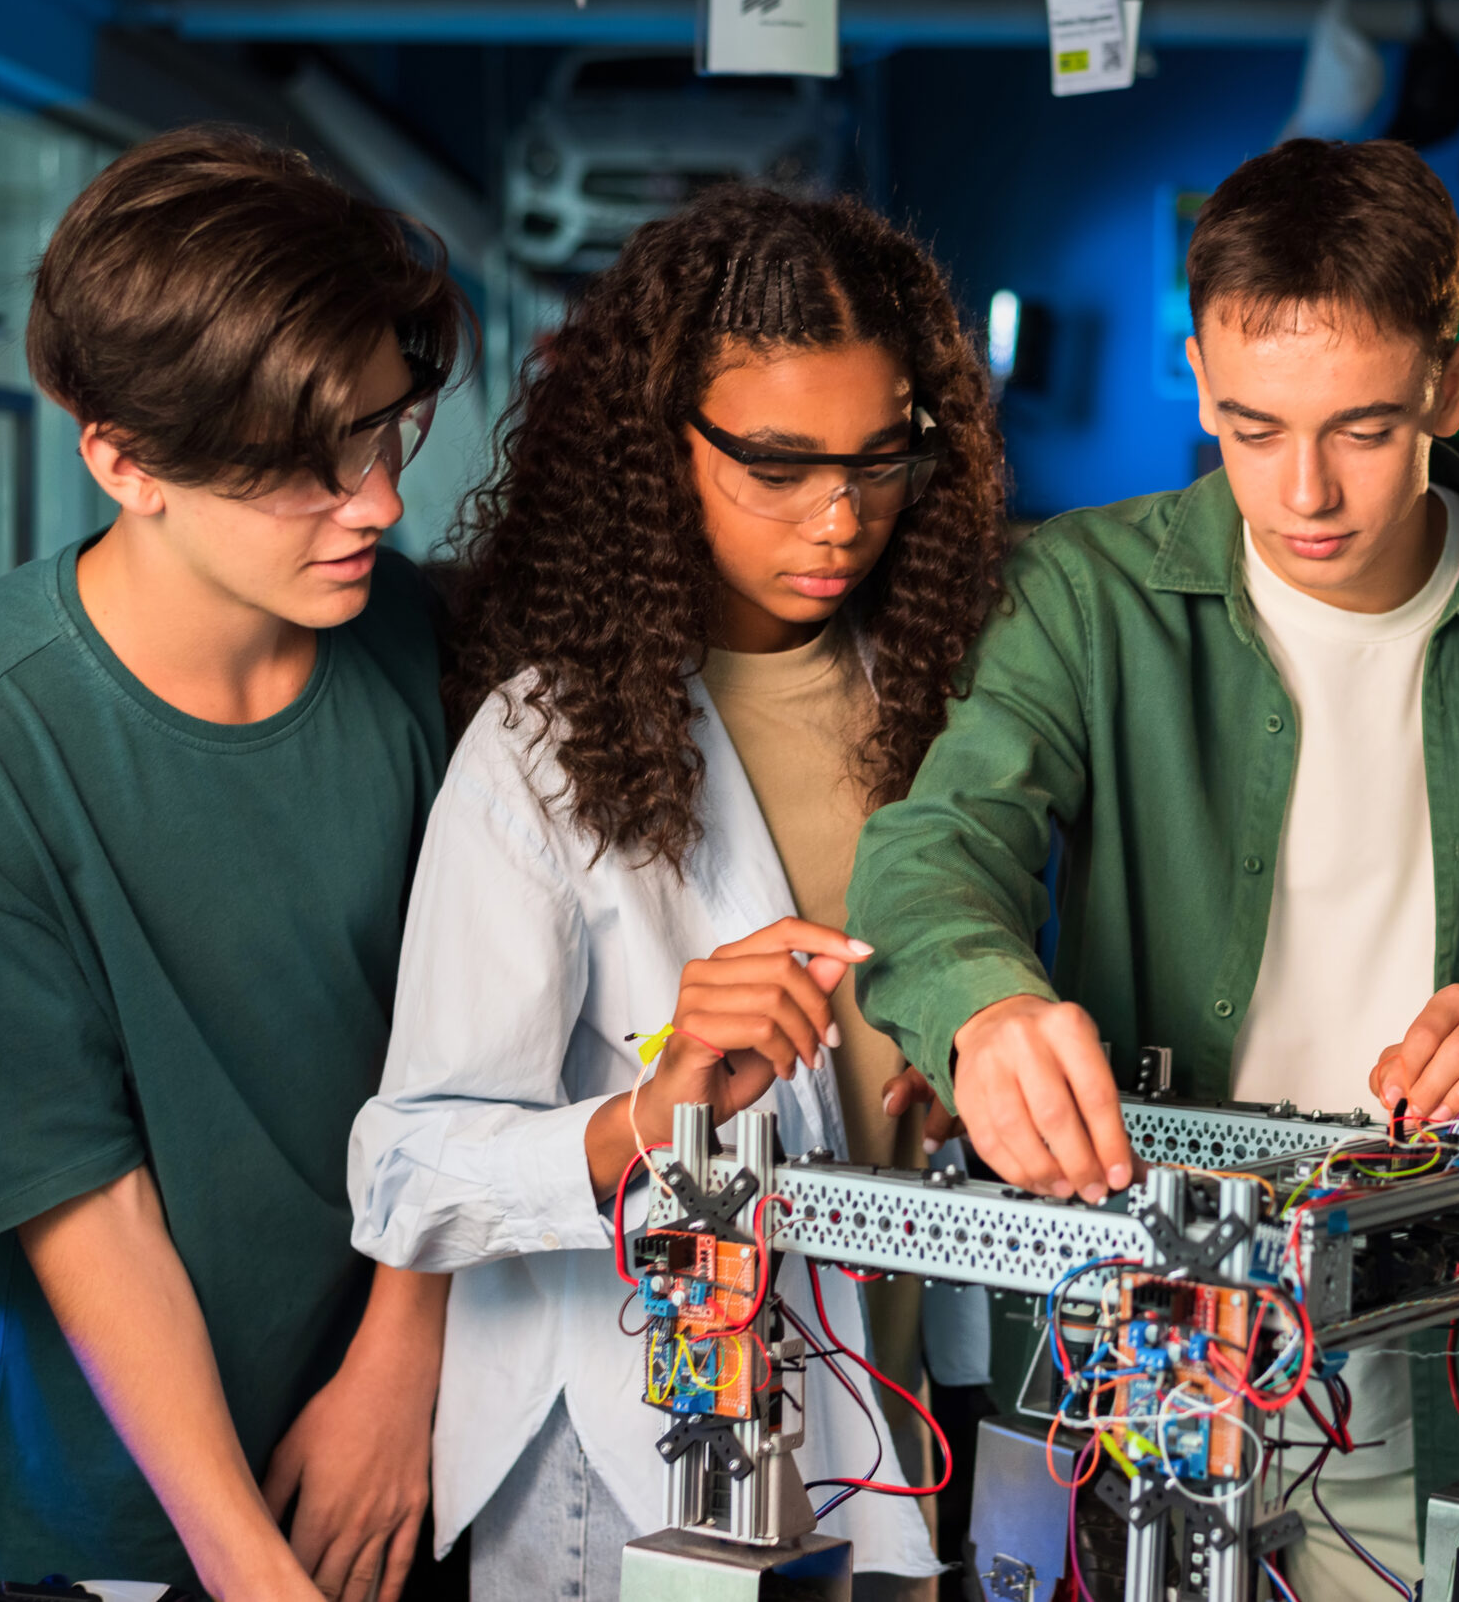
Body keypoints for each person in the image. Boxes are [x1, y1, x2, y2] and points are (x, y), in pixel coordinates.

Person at [846, 138, 1459, 1598]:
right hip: (1122, 1327)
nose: (1307, 492)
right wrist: (979, 1000)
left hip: (1439, 1331)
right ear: (1200, 372)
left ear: (1452, 389)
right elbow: (937, 844)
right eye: (1253, 427)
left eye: (1368, 428)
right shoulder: (1083, 595)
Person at [346, 187, 1008, 1602]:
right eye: (775, 464)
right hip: (630, 1462)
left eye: (881, 459)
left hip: (889, 1418)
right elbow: (405, 1171)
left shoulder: (955, 700)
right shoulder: (544, 742)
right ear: (660, 448)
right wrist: (651, 1111)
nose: (840, 516)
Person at [0, 127, 471, 1597]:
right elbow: (82, 1195)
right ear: (124, 463)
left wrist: (400, 1360)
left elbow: (479, 1049)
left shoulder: (414, 649)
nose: (378, 500)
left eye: (391, 430)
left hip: (389, 1435)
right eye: (308, 470)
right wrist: (247, 1569)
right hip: (102, 1496)